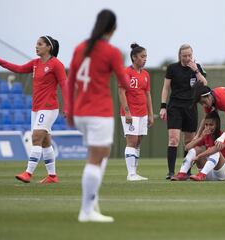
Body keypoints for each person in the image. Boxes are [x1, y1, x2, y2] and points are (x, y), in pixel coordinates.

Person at [66, 9, 128, 223]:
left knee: (99, 154)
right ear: (113, 28)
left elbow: (71, 80)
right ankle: (86, 210)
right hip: (99, 112)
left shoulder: (79, 48)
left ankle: (92, 201)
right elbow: (125, 81)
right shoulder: (111, 52)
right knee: (96, 157)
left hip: (81, 112)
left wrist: (70, 110)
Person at [0, 35, 67, 184]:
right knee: (45, 142)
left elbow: (65, 85)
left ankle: (28, 173)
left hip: (49, 107)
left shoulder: (56, 64)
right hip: (36, 108)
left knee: (36, 137)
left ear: (48, 47)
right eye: (36, 44)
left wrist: (68, 107)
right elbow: (18, 68)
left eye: (40, 44)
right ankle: (52, 176)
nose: (36, 46)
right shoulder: (35, 63)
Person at [159, 44, 207, 179]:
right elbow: (165, 88)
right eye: (184, 55)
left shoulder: (197, 67)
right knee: (174, 139)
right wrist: (163, 106)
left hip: (191, 107)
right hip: (175, 107)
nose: (187, 58)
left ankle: (185, 171)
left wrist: (196, 71)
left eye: (189, 55)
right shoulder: (172, 68)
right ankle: (171, 172)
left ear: (192, 55)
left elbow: (204, 84)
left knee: (189, 142)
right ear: (179, 55)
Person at [118, 43, 153, 181]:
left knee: (138, 142)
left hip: (143, 113)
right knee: (131, 141)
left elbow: (148, 94)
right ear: (134, 57)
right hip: (131, 113)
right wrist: (127, 112)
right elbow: (121, 92)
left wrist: (150, 114)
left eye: (146, 56)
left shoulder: (146, 74)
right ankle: (130, 174)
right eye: (142, 56)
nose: (145, 59)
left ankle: (134, 172)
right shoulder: (126, 72)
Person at [171, 111, 225, 181]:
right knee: (196, 149)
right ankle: (182, 174)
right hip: (210, 173)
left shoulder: (223, 136)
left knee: (216, 152)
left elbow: (214, 149)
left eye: (211, 125)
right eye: (206, 125)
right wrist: (201, 137)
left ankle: (201, 175)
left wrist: (199, 156)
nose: (208, 127)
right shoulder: (206, 136)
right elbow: (187, 148)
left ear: (217, 125)